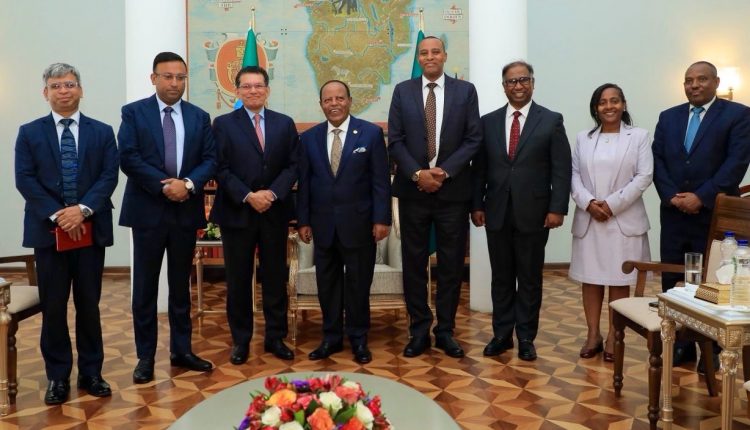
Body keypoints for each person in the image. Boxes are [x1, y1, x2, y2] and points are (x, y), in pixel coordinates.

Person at [14, 63, 119, 404]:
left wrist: (82, 210)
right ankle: (57, 377)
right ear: (45, 93)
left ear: (81, 90)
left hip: (91, 230)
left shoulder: (102, 132)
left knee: (89, 305)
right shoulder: (29, 133)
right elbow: (25, 179)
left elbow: (109, 176)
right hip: (49, 233)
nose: (64, 91)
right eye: (56, 85)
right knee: (54, 307)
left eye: (70, 84)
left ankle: (92, 373)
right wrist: (60, 215)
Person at [118, 52, 217, 383]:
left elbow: (210, 159)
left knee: (180, 287)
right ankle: (145, 357)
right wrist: (166, 186)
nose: (175, 83)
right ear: (154, 78)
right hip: (147, 212)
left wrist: (186, 185)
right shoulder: (134, 113)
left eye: (181, 77)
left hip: (184, 212)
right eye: (168, 76)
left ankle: (181, 350)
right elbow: (129, 157)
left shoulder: (199, 116)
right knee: (145, 288)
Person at [388, 36, 481, 358]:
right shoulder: (403, 91)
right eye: (424, 53)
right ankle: (418, 331)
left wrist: (444, 172)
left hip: (452, 193)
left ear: (444, 55)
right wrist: (418, 174)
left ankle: (445, 331)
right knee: (413, 264)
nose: (430, 57)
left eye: (435, 52)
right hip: (413, 192)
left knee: (451, 265)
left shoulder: (465, 91)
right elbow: (395, 140)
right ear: (418, 58)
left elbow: (473, 139)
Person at [471, 61, 572, 361]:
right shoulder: (488, 122)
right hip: (496, 211)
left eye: (523, 80)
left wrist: (557, 208)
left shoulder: (551, 120)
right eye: (512, 81)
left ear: (532, 83)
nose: (518, 86)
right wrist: (477, 204)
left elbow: (561, 169)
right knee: (501, 277)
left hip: (535, 213)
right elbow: (479, 169)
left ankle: (526, 337)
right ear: (504, 86)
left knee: (529, 278)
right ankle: (502, 335)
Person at [653, 61, 750, 369]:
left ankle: (712, 349)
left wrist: (702, 197)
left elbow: (736, 162)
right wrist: (671, 195)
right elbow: (657, 160)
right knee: (674, 279)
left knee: (713, 282)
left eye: (701, 79)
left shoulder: (738, 115)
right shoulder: (668, 117)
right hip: (674, 214)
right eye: (689, 80)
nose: (694, 85)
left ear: (716, 82)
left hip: (714, 215)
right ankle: (681, 345)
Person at [297, 80, 391, 364]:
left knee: (359, 285)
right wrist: (303, 220)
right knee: (327, 285)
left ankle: (359, 339)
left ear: (350, 101)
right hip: (323, 225)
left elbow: (380, 181)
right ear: (321, 104)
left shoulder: (371, 133)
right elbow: (305, 184)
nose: (334, 104)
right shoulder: (309, 138)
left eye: (339, 98)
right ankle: (331, 338)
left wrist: (381, 219)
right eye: (328, 100)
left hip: (360, 225)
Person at [209, 66, 298, 364]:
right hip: (237, 211)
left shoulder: (284, 124)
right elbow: (220, 167)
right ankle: (241, 340)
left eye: (258, 85)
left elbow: (293, 165)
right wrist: (249, 195)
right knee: (238, 279)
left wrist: (271, 194)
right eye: (246, 86)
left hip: (273, 211)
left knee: (275, 276)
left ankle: (275, 337)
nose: (253, 91)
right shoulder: (223, 124)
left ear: (267, 90)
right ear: (237, 91)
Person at [569, 83, 653, 361]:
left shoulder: (638, 136)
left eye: (614, 101)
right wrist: (589, 203)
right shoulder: (583, 138)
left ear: (623, 104)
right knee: (591, 280)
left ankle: (615, 337)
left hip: (623, 220)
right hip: (589, 219)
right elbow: (573, 175)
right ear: (595, 108)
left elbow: (644, 176)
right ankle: (593, 334)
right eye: (602, 102)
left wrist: (611, 205)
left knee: (619, 280)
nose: (609, 106)